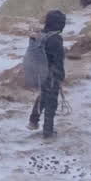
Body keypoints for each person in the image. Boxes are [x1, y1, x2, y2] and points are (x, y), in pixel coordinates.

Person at [28, 10, 66, 138]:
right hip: (52, 76)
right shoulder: (55, 39)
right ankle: (48, 132)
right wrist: (61, 76)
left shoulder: (41, 35)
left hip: (40, 73)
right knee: (51, 103)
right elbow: (58, 60)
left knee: (43, 96)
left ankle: (33, 121)